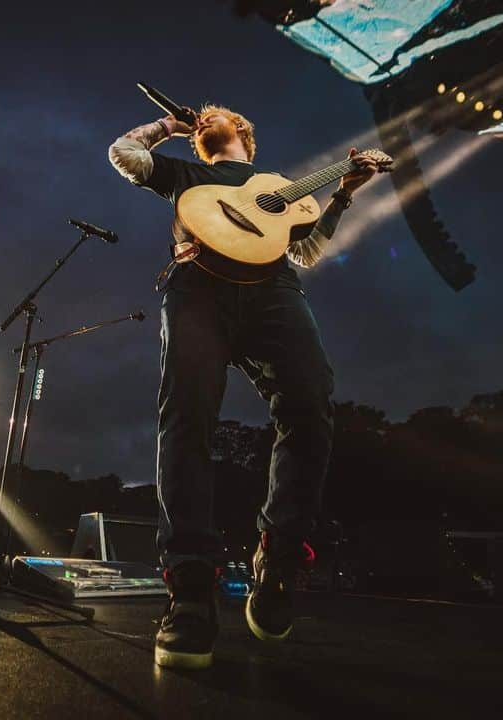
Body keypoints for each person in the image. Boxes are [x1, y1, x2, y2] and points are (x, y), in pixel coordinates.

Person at [108, 103, 377, 669]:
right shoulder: (188, 174)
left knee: (310, 405)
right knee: (186, 420)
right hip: (197, 286)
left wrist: (345, 192)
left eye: (214, 113)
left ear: (245, 133)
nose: (204, 117)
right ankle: (190, 590)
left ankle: (278, 560)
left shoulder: (282, 187)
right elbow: (125, 155)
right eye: (199, 118)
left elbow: (304, 249)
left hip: (274, 291)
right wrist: (170, 128)